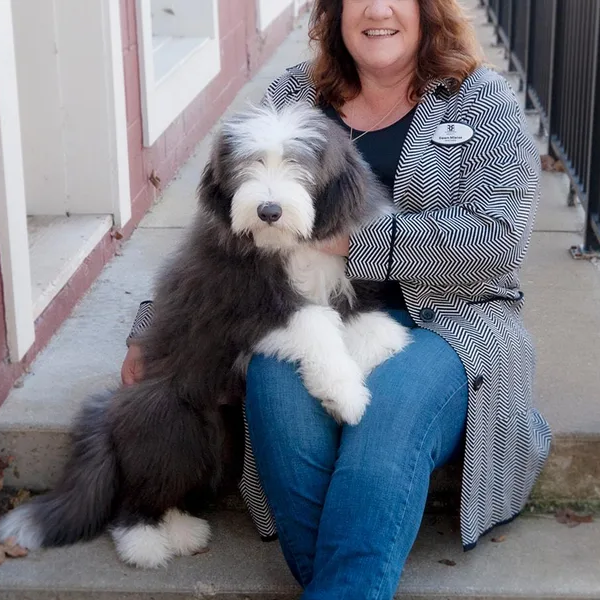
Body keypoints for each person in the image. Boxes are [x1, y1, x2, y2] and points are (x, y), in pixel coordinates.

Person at [121, 0, 552, 597]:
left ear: (428, 10)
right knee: (276, 387)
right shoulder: (294, 95)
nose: (377, 10)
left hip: (447, 322)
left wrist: (358, 240)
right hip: (300, 316)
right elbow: (221, 226)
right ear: (335, 12)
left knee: (383, 426)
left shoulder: (483, 104)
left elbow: (496, 247)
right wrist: (153, 326)